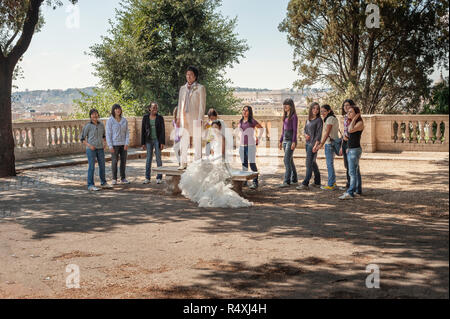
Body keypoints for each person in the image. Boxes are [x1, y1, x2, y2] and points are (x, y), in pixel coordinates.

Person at [179, 120, 252, 208]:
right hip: (214, 159)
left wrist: (213, 159)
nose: (214, 129)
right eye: (212, 128)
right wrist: (209, 158)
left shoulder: (222, 138)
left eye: (216, 127)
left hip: (220, 161)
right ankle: (196, 192)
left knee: (205, 171)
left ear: (220, 128)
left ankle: (207, 193)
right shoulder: (213, 138)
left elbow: (222, 154)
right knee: (199, 166)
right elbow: (212, 152)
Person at [177, 65, 206, 169]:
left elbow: (202, 106)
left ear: (195, 76)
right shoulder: (182, 88)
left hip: (195, 119)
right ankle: (183, 163)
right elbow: (180, 104)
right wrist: (178, 118)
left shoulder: (200, 88)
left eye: (191, 75)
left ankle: (197, 163)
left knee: (197, 142)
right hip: (184, 119)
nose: (188, 76)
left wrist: (200, 119)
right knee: (183, 141)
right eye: (187, 74)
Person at [80, 109, 113, 191]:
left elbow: (104, 136)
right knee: (91, 167)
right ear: (90, 116)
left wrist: (104, 143)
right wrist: (89, 146)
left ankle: (103, 183)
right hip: (91, 149)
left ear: (98, 115)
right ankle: (90, 185)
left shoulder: (101, 125)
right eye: (93, 114)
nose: (95, 116)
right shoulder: (88, 126)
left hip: (100, 148)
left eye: (96, 114)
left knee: (102, 166)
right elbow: (82, 139)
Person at [339, 105, 364, 200]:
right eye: (348, 112)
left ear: (356, 114)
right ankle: (358, 190)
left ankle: (350, 192)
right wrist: (347, 147)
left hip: (355, 150)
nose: (348, 114)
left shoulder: (360, 123)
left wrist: (355, 118)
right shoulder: (352, 122)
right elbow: (350, 136)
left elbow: (350, 130)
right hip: (351, 149)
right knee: (356, 171)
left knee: (352, 172)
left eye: (351, 112)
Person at [297, 102, 323, 190]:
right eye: (314, 108)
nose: (315, 110)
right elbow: (304, 130)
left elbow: (319, 134)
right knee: (312, 162)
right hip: (307, 143)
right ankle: (317, 182)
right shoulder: (308, 119)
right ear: (311, 109)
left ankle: (305, 183)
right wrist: (305, 135)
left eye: (317, 109)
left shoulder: (319, 120)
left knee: (308, 163)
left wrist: (316, 145)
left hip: (313, 144)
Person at [314, 104, 340, 190]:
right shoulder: (333, 118)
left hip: (329, 144)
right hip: (332, 142)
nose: (322, 113)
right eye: (321, 111)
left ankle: (331, 184)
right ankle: (333, 182)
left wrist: (321, 144)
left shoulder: (329, 119)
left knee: (329, 164)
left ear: (329, 111)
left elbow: (327, 133)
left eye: (324, 111)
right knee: (330, 164)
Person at [238, 105, 263, 189]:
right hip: (241, 146)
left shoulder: (252, 121)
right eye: (243, 110)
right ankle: (245, 181)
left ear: (249, 112)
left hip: (251, 145)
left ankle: (255, 182)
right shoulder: (241, 121)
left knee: (252, 164)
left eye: (246, 110)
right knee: (244, 164)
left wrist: (258, 138)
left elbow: (261, 129)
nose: (244, 112)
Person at [141, 102, 165, 184]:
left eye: (156, 107)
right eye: (153, 107)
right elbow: (143, 131)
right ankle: (147, 178)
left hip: (157, 140)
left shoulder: (160, 118)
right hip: (148, 140)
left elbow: (162, 131)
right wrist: (143, 143)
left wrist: (162, 142)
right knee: (148, 159)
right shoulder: (145, 118)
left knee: (158, 158)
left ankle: (159, 177)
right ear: (150, 109)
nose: (155, 109)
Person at [106, 104, 130, 185]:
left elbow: (127, 133)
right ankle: (114, 179)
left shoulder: (124, 120)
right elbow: (108, 134)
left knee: (123, 161)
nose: (117, 110)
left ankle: (123, 178)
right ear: (113, 110)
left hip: (123, 144)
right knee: (114, 161)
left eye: (119, 109)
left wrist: (126, 143)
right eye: (116, 109)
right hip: (114, 145)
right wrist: (110, 145)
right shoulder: (110, 121)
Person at [278, 98, 298, 188]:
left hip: (290, 141)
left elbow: (295, 130)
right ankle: (294, 179)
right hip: (285, 141)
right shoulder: (285, 116)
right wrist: (280, 140)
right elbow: (283, 130)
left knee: (286, 160)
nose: (285, 106)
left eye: (287, 104)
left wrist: (293, 142)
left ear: (291, 106)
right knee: (290, 160)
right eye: (284, 104)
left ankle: (286, 181)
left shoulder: (294, 116)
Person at [339, 99, 356, 191]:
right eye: (344, 105)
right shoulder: (345, 117)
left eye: (348, 105)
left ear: (352, 106)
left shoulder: (353, 118)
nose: (345, 107)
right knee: (346, 164)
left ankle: (352, 185)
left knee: (351, 165)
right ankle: (349, 183)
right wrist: (342, 145)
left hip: (351, 143)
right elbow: (344, 132)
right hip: (345, 142)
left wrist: (348, 142)